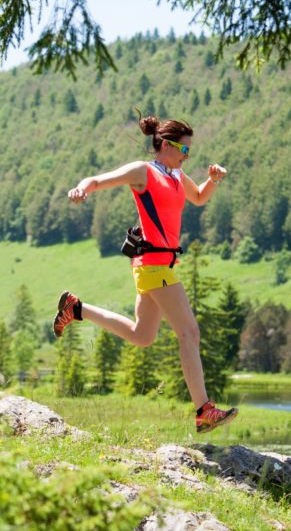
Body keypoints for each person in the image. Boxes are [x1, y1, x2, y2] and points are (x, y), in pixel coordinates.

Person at [53, 114, 238, 434]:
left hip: (161, 265)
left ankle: (76, 308)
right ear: (165, 145)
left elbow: (198, 198)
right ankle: (203, 410)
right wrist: (80, 189)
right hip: (152, 265)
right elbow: (97, 180)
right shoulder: (144, 172)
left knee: (142, 335)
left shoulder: (178, 175)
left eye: (189, 151)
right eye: (184, 149)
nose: (186, 156)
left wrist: (213, 179)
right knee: (189, 333)